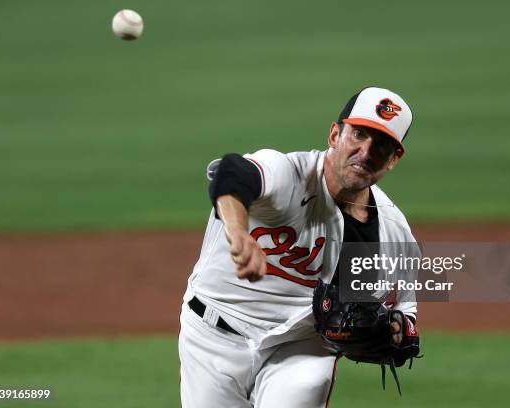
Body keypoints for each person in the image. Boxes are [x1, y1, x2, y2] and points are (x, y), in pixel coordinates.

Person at [179, 87, 419, 407]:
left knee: (304, 385)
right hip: (212, 337)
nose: (365, 151)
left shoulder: (391, 234)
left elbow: (403, 310)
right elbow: (231, 174)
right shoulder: (290, 176)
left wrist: (397, 329)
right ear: (335, 134)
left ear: (393, 159)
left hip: (300, 350)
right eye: (358, 134)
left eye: (382, 145)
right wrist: (237, 232)